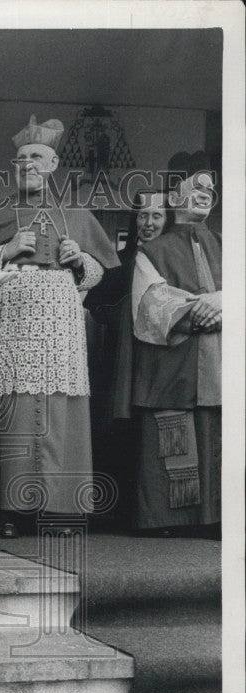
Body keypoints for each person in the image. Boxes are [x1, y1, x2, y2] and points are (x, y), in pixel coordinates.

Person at [0, 115, 119, 538]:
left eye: (36, 157)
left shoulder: (76, 213)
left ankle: (59, 511)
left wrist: (79, 259)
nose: (26, 164)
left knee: (57, 408)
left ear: (51, 166)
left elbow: (100, 274)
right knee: (12, 406)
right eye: (20, 158)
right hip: (8, 316)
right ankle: (10, 510)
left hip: (59, 320)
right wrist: (7, 250)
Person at [129, 170, 221, 535]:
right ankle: (168, 521)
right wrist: (202, 310)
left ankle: (214, 519)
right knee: (172, 437)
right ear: (175, 196)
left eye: (210, 189)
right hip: (172, 361)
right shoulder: (151, 251)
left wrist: (225, 300)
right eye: (195, 187)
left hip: (217, 360)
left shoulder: (230, 244)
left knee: (216, 436)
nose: (205, 192)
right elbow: (149, 302)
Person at [84, 190, 169, 526]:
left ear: (168, 219)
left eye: (156, 216)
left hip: (161, 356)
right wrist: (120, 317)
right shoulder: (121, 259)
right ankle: (118, 511)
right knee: (119, 423)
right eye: (143, 216)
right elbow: (95, 302)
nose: (148, 223)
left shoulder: (172, 257)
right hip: (122, 357)